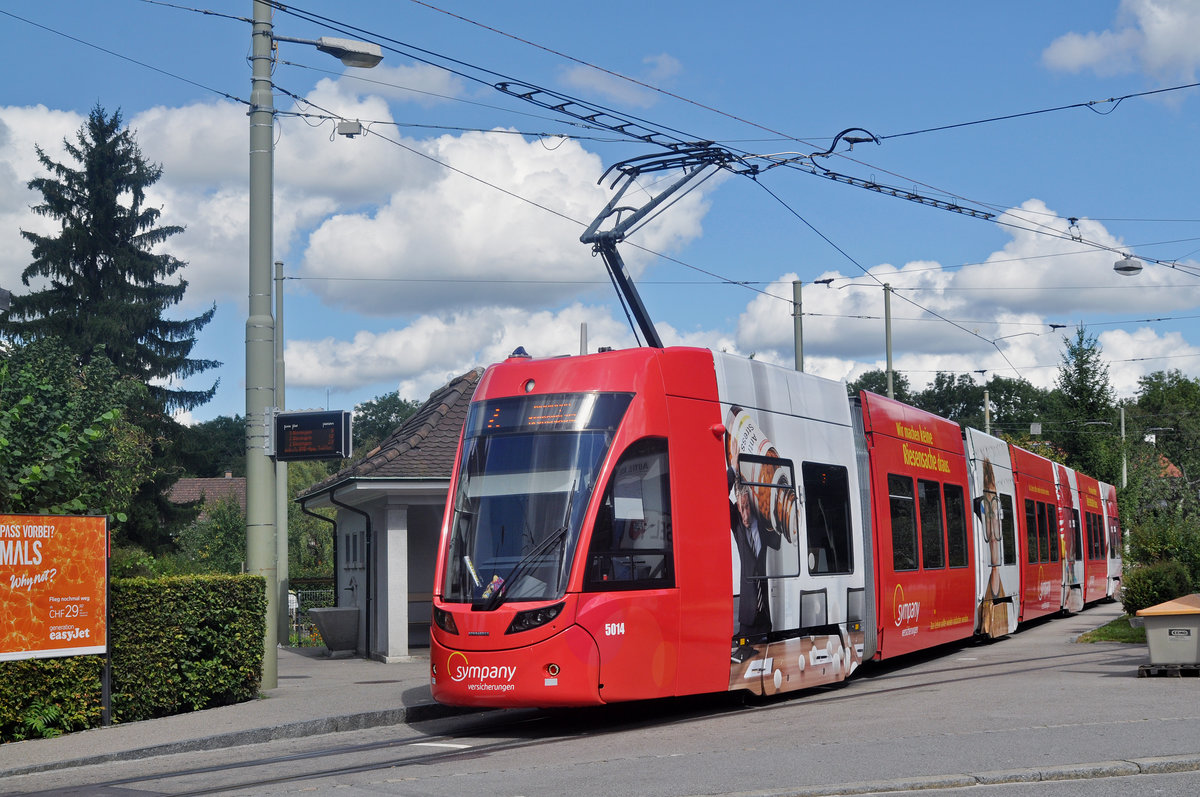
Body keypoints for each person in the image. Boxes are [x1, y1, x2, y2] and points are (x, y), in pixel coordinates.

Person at [732, 478, 781, 640]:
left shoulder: (762, 522)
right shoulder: (737, 523)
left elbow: (778, 540)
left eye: (747, 507)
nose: (745, 515)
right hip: (748, 616)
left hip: (766, 616)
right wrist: (732, 471)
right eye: (741, 508)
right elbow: (717, 495)